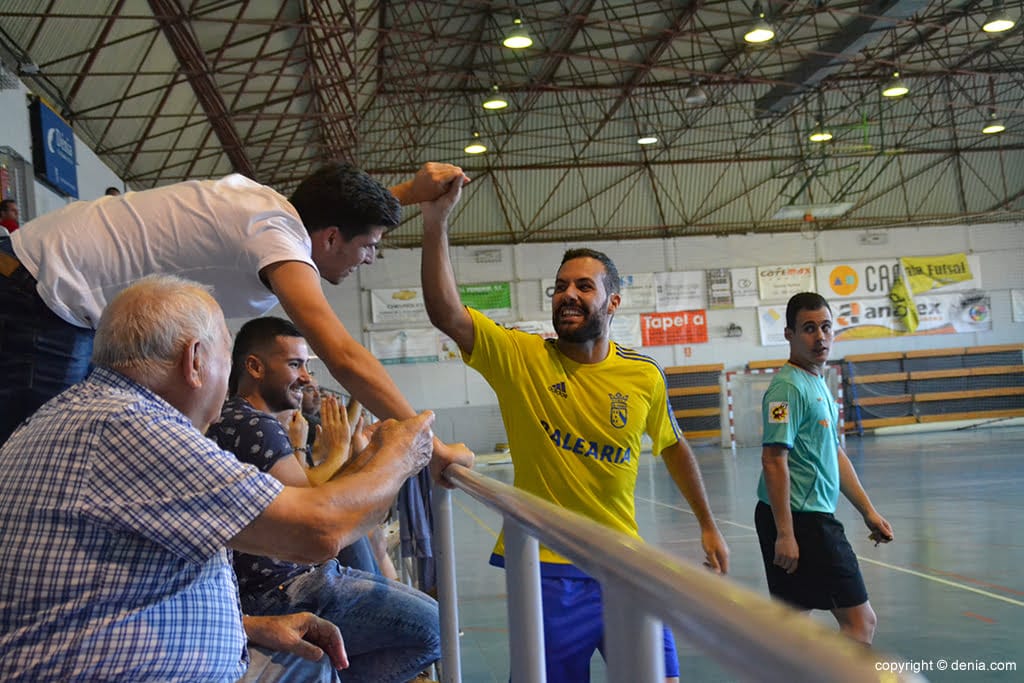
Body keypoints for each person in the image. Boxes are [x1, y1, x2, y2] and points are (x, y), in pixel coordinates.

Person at [0, 275, 437, 682]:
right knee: (427, 627)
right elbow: (319, 529)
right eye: (225, 360)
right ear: (195, 361)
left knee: (314, 663)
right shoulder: (129, 425)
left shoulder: (81, 414)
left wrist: (249, 626)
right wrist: (400, 454)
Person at [419, 180, 730, 683]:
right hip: (547, 568)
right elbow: (447, 313)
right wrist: (436, 224)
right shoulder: (521, 357)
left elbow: (672, 445)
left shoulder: (643, 375)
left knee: (663, 678)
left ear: (613, 303)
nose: (568, 294)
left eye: (584, 286)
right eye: (561, 286)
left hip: (624, 562)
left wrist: (708, 523)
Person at [0, 162, 475, 488]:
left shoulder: (269, 208)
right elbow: (342, 354)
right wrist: (428, 444)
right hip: (40, 297)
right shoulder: (278, 239)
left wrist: (410, 195)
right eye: (369, 246)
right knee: (39, 472)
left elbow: (341, 218)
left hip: (38, 285)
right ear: (331, 237)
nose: (369, 258)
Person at [207, 316, 440, 682]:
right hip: (283, 590)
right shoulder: (254, 425)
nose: (306, 378)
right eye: (295, 364)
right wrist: (392, 460)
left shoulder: (240, 420)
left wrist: (372, 455)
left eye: (307, 366)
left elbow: (319, 499)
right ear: (254, 366)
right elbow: (314, 518)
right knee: (434, 627)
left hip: (286, 581)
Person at [755, 292, 894, 645]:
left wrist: (868, 511)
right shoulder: (785, 389)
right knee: (861, 624)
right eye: (809, 328)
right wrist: (786, 534)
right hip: (802, 520)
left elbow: (833, 453)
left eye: (826, 327)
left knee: (793, 627)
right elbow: (773, 460)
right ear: (789, 334)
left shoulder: (817, 382)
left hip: (805, 516)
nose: (820, 337)